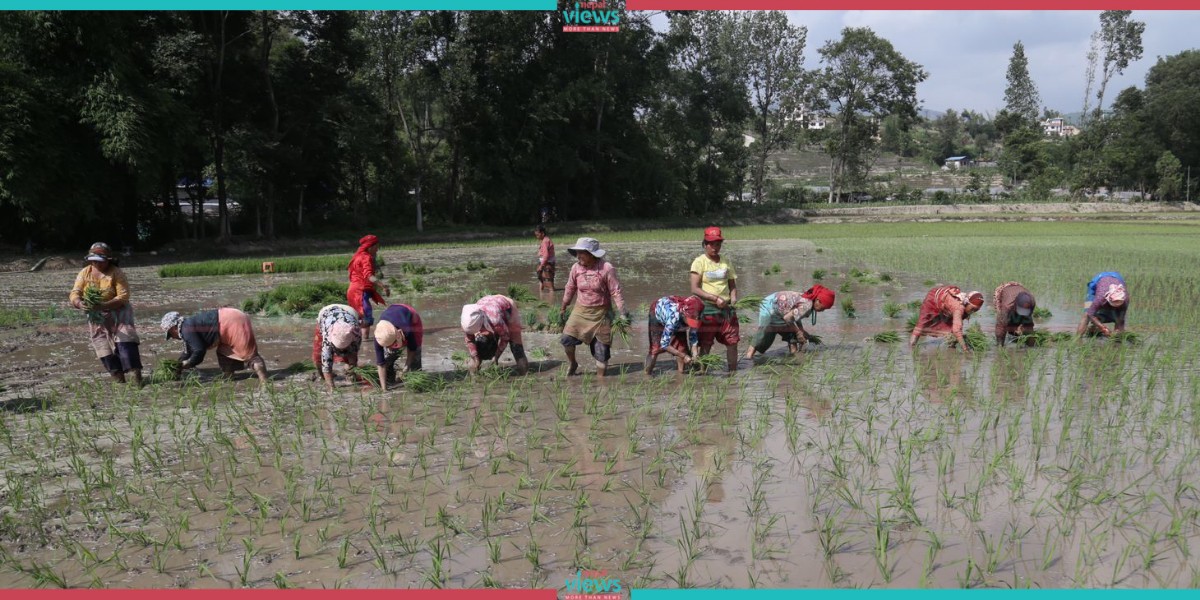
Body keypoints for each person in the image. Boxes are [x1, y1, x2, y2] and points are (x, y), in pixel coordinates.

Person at [69, 242, 143, 385]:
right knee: (103, 348)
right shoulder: (85, 273)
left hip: (119, 314)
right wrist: (79, 303)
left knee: (125, 342)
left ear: (108, 260)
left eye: (100, 261)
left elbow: (123, 296)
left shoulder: (116, 272)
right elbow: (75, 292)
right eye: (94, 261)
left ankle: (136, 379)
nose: (97, 264)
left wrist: (102, 305)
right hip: (97, 317)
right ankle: (118, 379)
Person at [560, 237, 628, 377]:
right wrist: (564, 305)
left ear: (592, 254)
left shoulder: (606, 268)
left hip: (602, 314)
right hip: (581, 311)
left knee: (601, 355)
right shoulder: (576, 268)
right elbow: (570, 287)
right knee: (566, 339)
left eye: (582, 253)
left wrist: (622, 314)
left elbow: (615, 291)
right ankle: (573, 363)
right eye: (577, 253)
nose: (578, 256)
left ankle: (600, 383)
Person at [161, 307, 268, 384]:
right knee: (224, 352)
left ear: (174, 327)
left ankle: (264, 382)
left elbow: (199, 350)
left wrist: (188, 363)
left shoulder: (186, 329)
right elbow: (187, 351)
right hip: (228, 318)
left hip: (232, 322)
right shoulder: (186, 327)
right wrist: (177, 366)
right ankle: (229, 378)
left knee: (248, 355)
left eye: (170, 334)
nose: (172, 337)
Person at [690, 226, 740, 372]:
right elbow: (695, 288)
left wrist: (734, 300)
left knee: (732, 342)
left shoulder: (725, 262)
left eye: (718, 244)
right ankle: (702, 372)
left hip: (726, 309)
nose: (715, 247)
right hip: (708, 309)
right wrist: (715, 298)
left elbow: (732, 285)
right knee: (705, 344)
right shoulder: (699, 262)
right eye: (711, 244)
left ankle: (733, 374)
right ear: (705, 244)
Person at [744, 285, 835, 361]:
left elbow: (796, 316)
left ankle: (794, 357)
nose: (823, 311)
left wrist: (801, 330)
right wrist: (798, 332)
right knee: (764, 333)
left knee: (792, 334)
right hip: (769, 307)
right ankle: (748, 359)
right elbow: (787, 318)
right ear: (818, 300)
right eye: (823, 308)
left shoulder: (809, 303)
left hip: (780, 310)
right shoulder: (807, 305)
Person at [461, 295, 529, 375]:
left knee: (517, 348)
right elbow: (469, 341)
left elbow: (506, 338)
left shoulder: (495, 320)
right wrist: (475, 357)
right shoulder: (468, 321)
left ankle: (525, 375)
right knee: (476, 355)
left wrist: (496, 356)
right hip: (485, 304)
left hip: (506, 306)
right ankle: (474, 375)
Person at [909, 285, 984, 353]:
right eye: (973, 308)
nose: (973, 311)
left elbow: (957, 325)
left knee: (952, 325)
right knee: (922, 323)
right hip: (933, 298)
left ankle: (951, 346)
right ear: (967, 302)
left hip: (945, 303)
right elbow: (957, 330)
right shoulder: (958, 307)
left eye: (976, 310)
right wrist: (965, 349)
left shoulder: (964, 306)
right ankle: (911, 346)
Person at [644, 295, 703, 375]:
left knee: (682, 348)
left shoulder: (696, 315)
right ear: (684, 314)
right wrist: (684, 356)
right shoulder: (673, 317)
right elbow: (664, 344)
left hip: (678, 320)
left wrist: (695, 354)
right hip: (657, 313)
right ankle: (647, 374)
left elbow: (693, 337)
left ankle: (681, 374)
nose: (691, 324)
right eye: (690, 321)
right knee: (655, 349)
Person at [347, 234, 389, 345]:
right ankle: (365, 343)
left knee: (359, 317)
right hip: (360, 291)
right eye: (376, 247)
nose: (377, 249)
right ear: (370, 247)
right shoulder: (366, 257)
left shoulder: (357, 256)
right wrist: (383, 285)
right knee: (366, 318)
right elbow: (369, 275)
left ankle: (358, 341)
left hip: (353, 290)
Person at [373, 303, 424, 390]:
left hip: (411, 316)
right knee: (389, 356)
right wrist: (384, 389)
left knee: (416, 360)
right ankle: (390, 377)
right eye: (387, 346)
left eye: (392, 344)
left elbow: (412, 349)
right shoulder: (379, 337)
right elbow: (380, 364)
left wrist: (406, 368)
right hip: (391, 315)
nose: (389, 347)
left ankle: (416, 381)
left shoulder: (407, 330)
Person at [312, 303, 362, 391]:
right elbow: (326, 365)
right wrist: (332, 388)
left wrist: (352, 373)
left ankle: (351, 376)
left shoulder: (356, 334)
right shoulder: (328, 338)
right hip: (326, 313)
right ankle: (323, 377)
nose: (341, 350)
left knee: (349, 356)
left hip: (349, 312)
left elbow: (353, 354)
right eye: (339, 348)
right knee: (318, 356)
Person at [1078, 271, 1128, 337]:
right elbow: (1090, 314)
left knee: (1119, 319)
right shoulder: (1100, 298)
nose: (1115, 308)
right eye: (1113, 304)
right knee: (1086, 314)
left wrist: (1117, 336)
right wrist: (1103, 328)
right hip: (1097, 282)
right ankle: (1077, 338)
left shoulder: (1125, 299)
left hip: (1116, 277)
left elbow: (1121, 320)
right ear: (1108, 299)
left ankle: (1116, 341)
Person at [993, 282, 1037, 346]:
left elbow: (1029, 324)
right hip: (1004, 290)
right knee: (1005, 322)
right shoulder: (1007, 306)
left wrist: (1031, 344)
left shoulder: (1032, 301)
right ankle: (1012, 334)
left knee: (1025, 322)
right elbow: (1000, 326)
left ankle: (1017, 337)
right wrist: (1000, 345)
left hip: (1019, 290)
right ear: (1015, 305)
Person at [535, 225, 556, 294]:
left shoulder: (545, 242)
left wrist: (541, 266)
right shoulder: (546, 240)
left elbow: (546, 255)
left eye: (538, 235)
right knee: (541, 279)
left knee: (549, 283)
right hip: (547, 263)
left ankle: (551, 299)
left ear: (542, 233)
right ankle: (541, 292)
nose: (537, 237)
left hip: (546, 264)